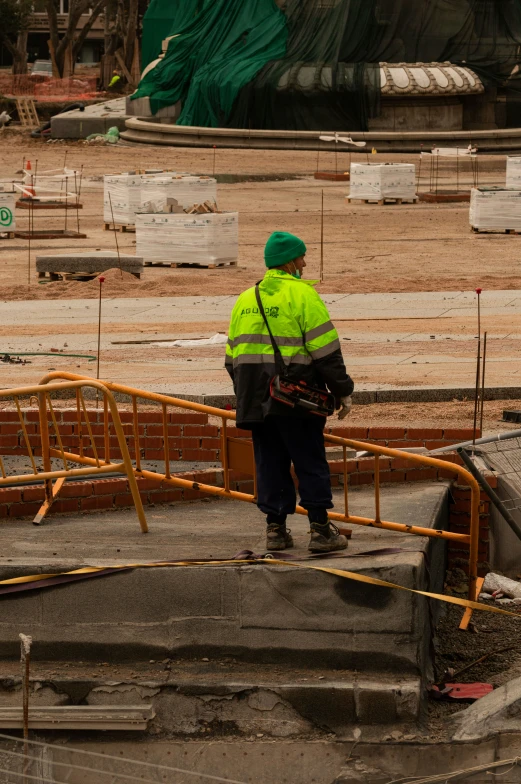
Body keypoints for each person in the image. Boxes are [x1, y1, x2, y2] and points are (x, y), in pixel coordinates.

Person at [225, 231, 354, 553]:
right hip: (296, 398)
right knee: (310, 461)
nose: (305, 263)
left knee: (269, 463)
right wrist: (343, 390)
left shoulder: (246, 298)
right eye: (301, 257)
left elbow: (232, 359)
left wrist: (250, 393)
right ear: (289, 262)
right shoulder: (302, 296)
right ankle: (321, 530)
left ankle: (276, 531)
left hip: (255, 400)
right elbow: (326, 352)